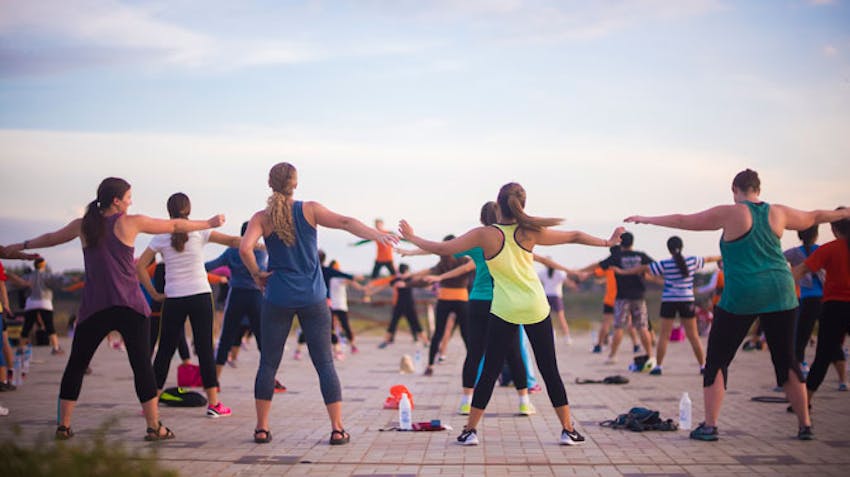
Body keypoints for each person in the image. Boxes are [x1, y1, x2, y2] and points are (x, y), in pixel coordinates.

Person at [625, 168, 850, 441]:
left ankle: (710, 426)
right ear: (758, 189)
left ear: (735, 190)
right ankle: (805, 425)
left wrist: (646, 219)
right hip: (781, 291)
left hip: (743, 294)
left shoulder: (731, 212)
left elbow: (685, 220)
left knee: (718, 359)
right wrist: (843, 214)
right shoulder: (778, 212)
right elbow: (814, 216)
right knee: (787, 359)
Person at [400, 182, 623, 446]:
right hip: (536, 306)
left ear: (498, 205)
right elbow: (574, 236)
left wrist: (412, 237)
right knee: (549, 370)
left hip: (504, 308)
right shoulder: (530, 232)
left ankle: (470, 431)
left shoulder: (485, 235)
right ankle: (568, 430)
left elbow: (442, 249)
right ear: (521, 205)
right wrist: (607, 242)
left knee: (490, 369)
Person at [4, 176, 225, 440]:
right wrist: (209, 223)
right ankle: (154, 426)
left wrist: (18, 248)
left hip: (95, 307)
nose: (131, 202)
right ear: (117, 201)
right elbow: (175, 224)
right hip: (130, 306)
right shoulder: (130, 222)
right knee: (142, 366)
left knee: (76, 364)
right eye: (129, 197)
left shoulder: (84, 225)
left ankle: (63, 425)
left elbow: (51, 238)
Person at [239, 162, 396, 445]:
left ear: (269, 183)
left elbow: (244, 248)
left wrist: (257, 274)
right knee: (324, 363)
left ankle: (261, 428)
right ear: (295, 184)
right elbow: (347, 223)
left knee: (268, 364)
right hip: (312, 297)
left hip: (277, 296)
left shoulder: (261, 218)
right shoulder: (309, 209)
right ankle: (337, 429)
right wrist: (378, 236)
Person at [137, 192, 242, 419]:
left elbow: (140, 267)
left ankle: (151, 403)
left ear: (169, 211)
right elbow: (234, 241)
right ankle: (213, 404)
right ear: (189, 209)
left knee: (164, 349)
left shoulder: (161, 236)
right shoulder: (200, 230)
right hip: (200, 296)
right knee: (204, 348)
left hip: (173, 298)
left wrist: (155, 293)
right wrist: (257, 244)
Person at [612, 236, 719, 375]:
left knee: (664, 336)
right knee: (693, 336)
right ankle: (703, 366)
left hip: (669, 301)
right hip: (686, 301)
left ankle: (659, 367)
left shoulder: (665, 264)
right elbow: (709, 258)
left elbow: (644, 268)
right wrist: (723, 255)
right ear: (682, 246)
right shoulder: (692, 261)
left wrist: (623, 272)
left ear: (668, 249)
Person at [793, 210, 850, 401]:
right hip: (833, 305)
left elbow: (800, 271)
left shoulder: (830, 249)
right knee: (832, 351)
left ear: (834, 229)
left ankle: (805, 402)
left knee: (823, 356)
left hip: (834, 307)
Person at [597, 232, 655, 366]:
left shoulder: (617, 256)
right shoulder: (641, 256)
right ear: (632, 242)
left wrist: (580, 273)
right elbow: (653, 267)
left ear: (620, 242)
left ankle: (612, 356)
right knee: (642, 327)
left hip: (622, 297)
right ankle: (650, 356)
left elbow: (600, 265)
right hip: (639, 296)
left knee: (619, 327)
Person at [784, 226, 825, 367]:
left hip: (807, 298)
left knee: (801, 336)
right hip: (826, 297)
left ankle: (801, 365)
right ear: (817, 235)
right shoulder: (821, 250)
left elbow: (777, 258)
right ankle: (842, 378)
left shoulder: (795, 253)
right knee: (830, 336)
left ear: (799, 236)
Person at [370, 263, 430, 346]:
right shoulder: (399, 279)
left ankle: (426, 341)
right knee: (393, 323)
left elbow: (422, 282)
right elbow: (384, 286)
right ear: (406, 270)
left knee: (415, 324)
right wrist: (373, 291)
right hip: (402, 305)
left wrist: (373, 291)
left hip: (407, 305)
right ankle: (386, 341)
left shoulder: (409, 278)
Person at [18, 258, 63, 354]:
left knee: (27, 326)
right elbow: (57, 280)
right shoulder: (47, 275)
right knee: (49, 325)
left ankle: (21, 348)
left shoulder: (28, 276)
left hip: (31, 302)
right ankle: (55, 347)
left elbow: (20, 283)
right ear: (43, 265)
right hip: (45, 301)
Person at [537, 259, 582, 344]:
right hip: (556, 296)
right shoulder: (559, 272)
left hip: (546, 296)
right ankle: (567, 337)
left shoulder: (542, 272)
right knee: (561, 317)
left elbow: (536, 280)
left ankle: (551, 335)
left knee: (547, 318)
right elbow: (567, 282)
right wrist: (574, 286)